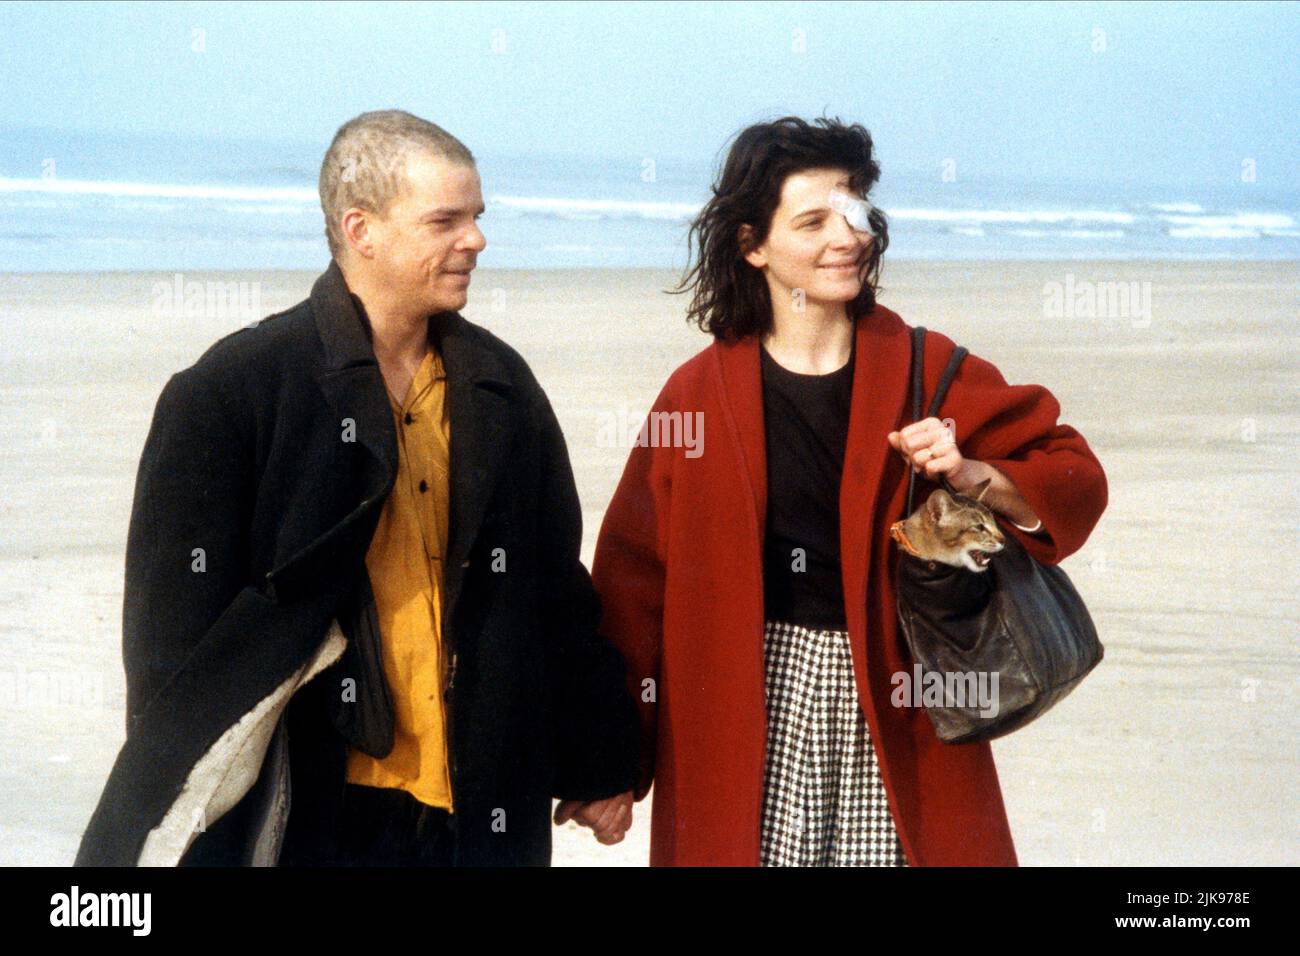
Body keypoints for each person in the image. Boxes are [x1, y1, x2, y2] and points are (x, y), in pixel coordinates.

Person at [75, 110, 638, 867]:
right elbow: (171, 653)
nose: (475, 240)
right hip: (315, 815)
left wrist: (600, 756)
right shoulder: (232, 393)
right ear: (361, 230)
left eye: (476, 218)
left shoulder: (501, 387)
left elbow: (553, 591)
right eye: (446, 220)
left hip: (478, 807)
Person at [590, 116, 1109, 866]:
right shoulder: (694, 398)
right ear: (752, 245)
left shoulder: (930, 369)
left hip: (897, 704)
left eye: (856, 211)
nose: (848, 236)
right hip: (741, 706)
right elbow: (633, 582)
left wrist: (972, 475)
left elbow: (1074, 475)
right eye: (813, 221)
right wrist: (613, 764)